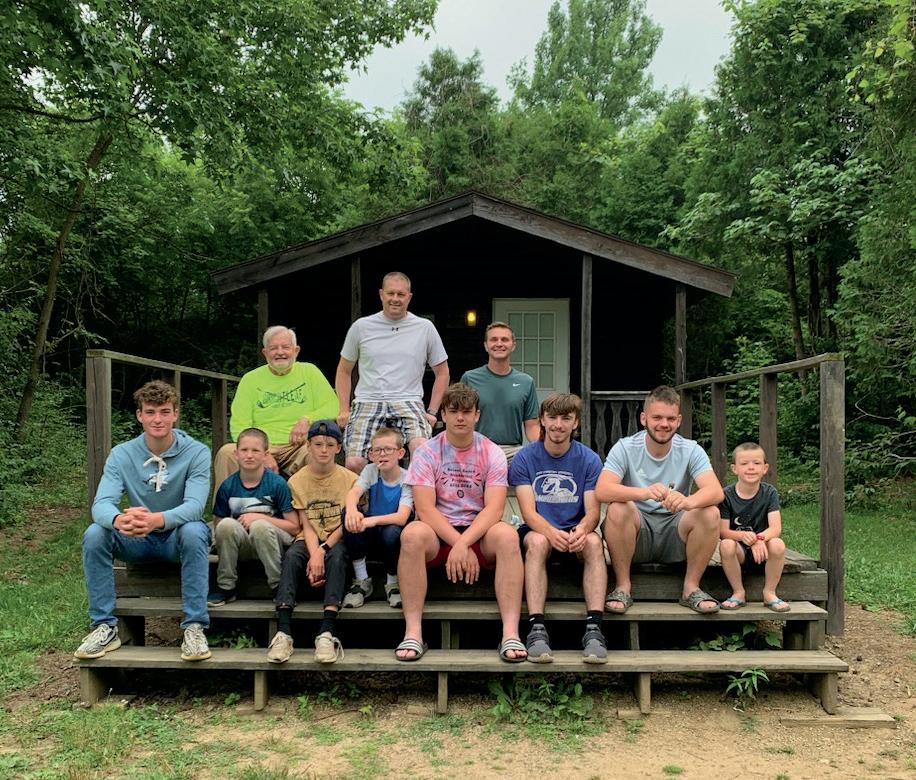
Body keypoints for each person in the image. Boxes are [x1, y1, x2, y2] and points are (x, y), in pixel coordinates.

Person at [76, 380, 212, 662]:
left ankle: (194, 627)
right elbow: (101, 504)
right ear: (139, 415)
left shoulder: (197, 452)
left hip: (175, 539)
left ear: (175, 414)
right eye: (150, 412)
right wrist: (119, 520)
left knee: (195, 530)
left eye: (164, 412)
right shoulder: (122, 454)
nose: (157, 419)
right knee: (95, 533)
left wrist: (156, 520)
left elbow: (195, 506)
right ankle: (104, 626)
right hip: (136, 538)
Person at [395, 383, 526, 663]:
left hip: (478, 531)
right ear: (443, 414)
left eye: (466, 412)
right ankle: (413, 631)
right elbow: (425, 509)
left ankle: (511, 633)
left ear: (477, 414)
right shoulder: (427, 452)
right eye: (453, 411)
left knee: (508, 536)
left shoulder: (491, 452)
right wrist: (457, 543)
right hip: (438, 531)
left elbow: (495, 508)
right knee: (412, 534)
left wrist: (465, 543)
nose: (460, 418)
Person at [596, 386, 724, 615]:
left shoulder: (691, 450)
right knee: (618, 508)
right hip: (636, 534)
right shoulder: (625, 447)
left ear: (679, 421)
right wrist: (643, 493)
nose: (664, 424)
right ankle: (623, 587)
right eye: (657, 417)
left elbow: (715, 491)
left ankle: (691, 588)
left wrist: (688, 501)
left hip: (676, 533)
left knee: (710, 512)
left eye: (670, 419)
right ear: (643, 418)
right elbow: (603, 490)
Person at [509, 393, 607, 663]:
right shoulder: (525, 458)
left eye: (566, 418)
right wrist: (551, 533)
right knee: (537, 542)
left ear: (576, 423)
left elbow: (593, 511)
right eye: (552, 417)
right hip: (539, 530)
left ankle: (594, 628)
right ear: (542, 420)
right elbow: (528, 512)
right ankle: (536, 628)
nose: (558, 425)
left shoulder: (589, 459)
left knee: (594, 543)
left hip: (574, 530)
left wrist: (583, 529)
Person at [335, 271, 449, 473]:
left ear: (409, 297)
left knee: (421, 449)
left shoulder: (424, 328)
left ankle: (413, 493)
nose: (395, 299)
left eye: (401, 294)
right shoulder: (361, 327)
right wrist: (344, 409)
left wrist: (432, 411)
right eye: (390, 293)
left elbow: (442, 371)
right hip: (368, 400)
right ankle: (362, 495)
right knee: (354, 463)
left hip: (408, 399)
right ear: (381, 294)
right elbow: (344, 370)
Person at [266, 420, 357, 664]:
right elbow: (306, 524)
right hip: (309, 537)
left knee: (337, 557)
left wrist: (323, 550)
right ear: (308, 446)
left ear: (339, 448)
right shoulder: (297, 480)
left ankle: (327, 632)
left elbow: (346, 522)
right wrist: (314, 552)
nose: (324, 450)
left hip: (337, 537)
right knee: (292, 556)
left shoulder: (350, 479)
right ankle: (283, 631)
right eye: (318, 444)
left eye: (330, 445)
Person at [213, 326, 339, 487]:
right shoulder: (250, 379)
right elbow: (239, 425)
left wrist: (307, 419)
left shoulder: (309, 372)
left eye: (285, 347)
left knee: (318, 452)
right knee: (226, 453)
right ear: (265, 352)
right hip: (259, 446)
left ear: (296, 351)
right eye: (273, 348)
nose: (280, 352)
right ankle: (224, 504)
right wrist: (261, 452)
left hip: (298, 447)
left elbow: (333, 406)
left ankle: (319, 503)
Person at [208, 428, 300, 606]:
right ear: (236, 454)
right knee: (226, 525)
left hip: (273, 543)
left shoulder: (277, 484)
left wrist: (259, 518)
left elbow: (295, 527)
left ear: (265, 455)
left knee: (260, 526)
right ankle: (226, 586)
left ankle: (279, 586)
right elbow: (219, 526)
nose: (249, 455)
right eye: (244, 450)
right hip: (243, 544)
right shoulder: (228, 486)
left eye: (255, 450)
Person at [341, 427, 414, 609]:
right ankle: (362, 580)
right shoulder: (371, 470)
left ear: (400, 453)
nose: (383, 454)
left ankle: (392, 583)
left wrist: (371, 520)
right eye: (377, 450)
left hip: (393, 537)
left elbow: (401, 517)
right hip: (371, 535)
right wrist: (352, 510)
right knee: (348, 515)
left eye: (388, 449)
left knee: (392, 532)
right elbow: (354, 493)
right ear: (371, 455)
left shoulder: (407, 478)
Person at [718, 442, 789, 612]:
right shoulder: (726, 495)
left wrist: (759, 539)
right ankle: (738, 592)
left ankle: (769, 592)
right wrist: (743, 537)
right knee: (726, 545)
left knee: (778, 544)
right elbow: (723, 532)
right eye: (744, 463)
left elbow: (775, 528)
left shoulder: (769, 493)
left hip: (763, 550)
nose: (751, 468)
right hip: (739, 551)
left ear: (765, 468)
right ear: (734, 468)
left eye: (756, 463)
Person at [460, 321, 539, 461]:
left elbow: (532, 425)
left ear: (513, 345)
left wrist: (543, 451)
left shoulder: (526, 382)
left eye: (505, 339)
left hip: (512, 453)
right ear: (486, 345)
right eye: (494, 339)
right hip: (477, 450)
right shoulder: (469, 378)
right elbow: (460, 418)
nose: (499, 344)